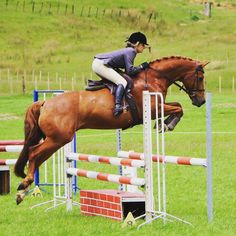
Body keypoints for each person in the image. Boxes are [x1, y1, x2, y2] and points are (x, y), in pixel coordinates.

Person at [92, 32, 150, 117]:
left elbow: (127, 71)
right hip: (101, 64)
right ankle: (118, 106)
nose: (144, 47)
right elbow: (130, 71)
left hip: (100, 63)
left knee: (120, 80)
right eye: (143, 45)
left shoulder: (130, 51)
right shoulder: (131, 51)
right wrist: (141, 66)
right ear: (137, 44)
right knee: (122, 82)